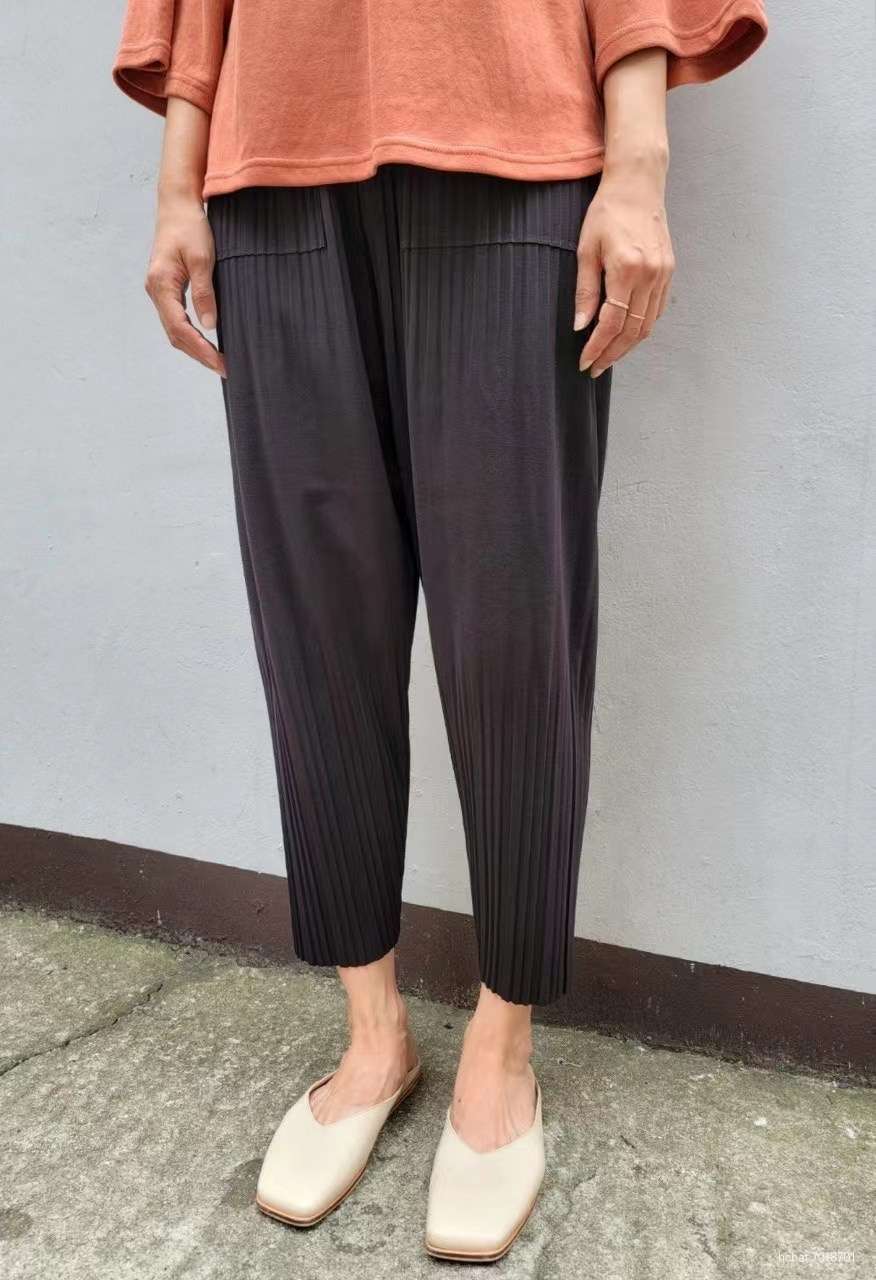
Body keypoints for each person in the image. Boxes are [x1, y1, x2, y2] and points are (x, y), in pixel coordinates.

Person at [113, 0, 768, 1263]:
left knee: (514, 632)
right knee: (314, 625)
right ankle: (373, 1035)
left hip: (518, 144)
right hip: (272, 167)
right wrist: (177, 182)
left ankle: (502, 1042)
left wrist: (638, 162)